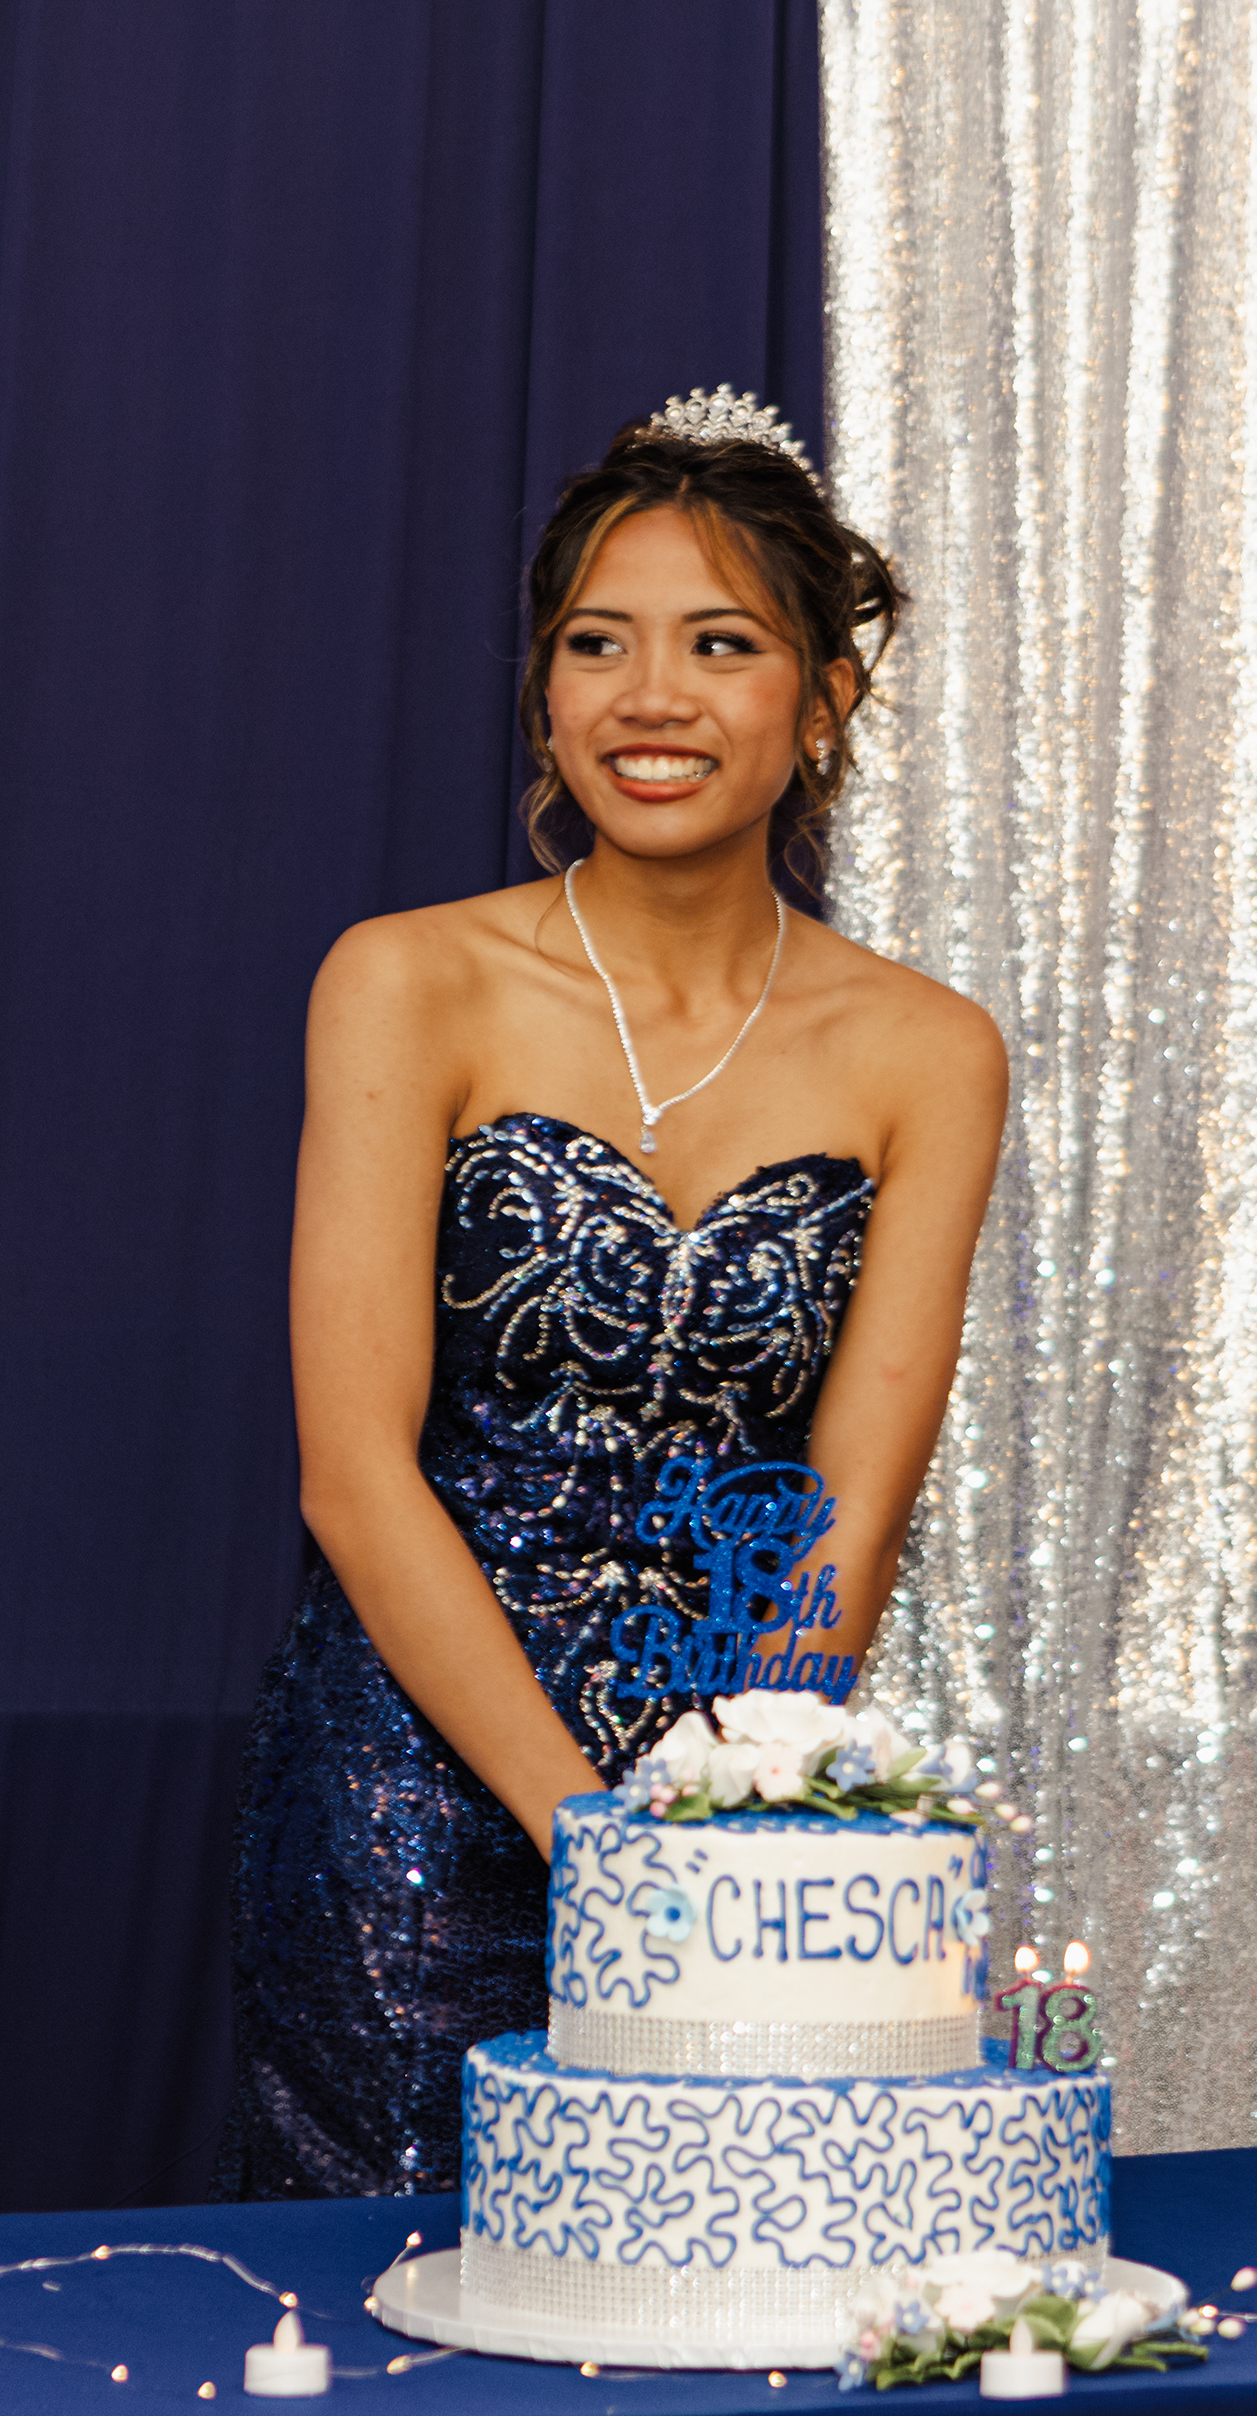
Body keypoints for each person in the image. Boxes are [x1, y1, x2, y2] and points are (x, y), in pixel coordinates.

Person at [218, 393, 1008, 2200]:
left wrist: (726, 1825)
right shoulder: (407, 982)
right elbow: (353, 1472)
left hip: (728, 1817)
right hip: (408, 1801)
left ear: (825, 700)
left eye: (721, 645)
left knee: (711, 2282)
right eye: (599, 644)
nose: (653, 697)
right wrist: (590, 1833)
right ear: (546, 692)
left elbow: (850, 1505)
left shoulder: (930, 1050)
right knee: (404, 2297)